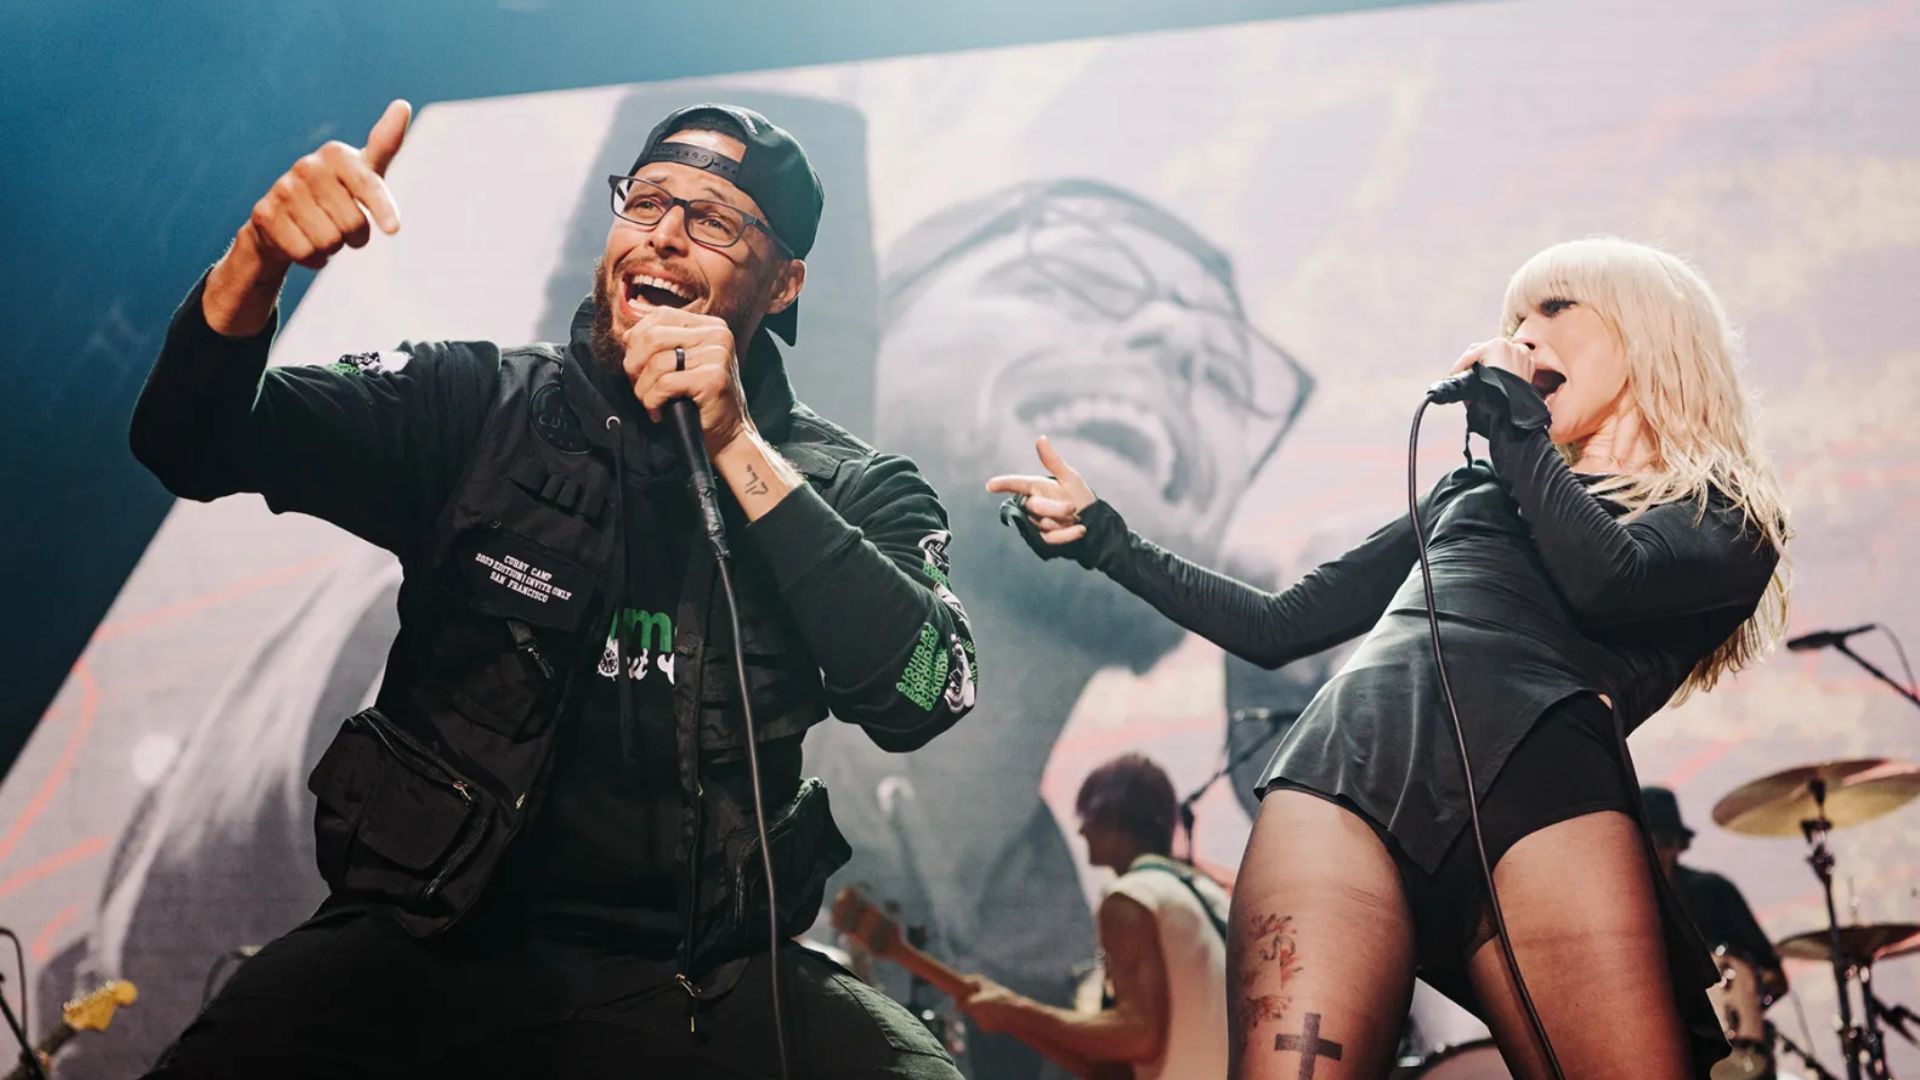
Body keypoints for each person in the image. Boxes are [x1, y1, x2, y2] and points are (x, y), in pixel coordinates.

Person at [128, 98, 975, 1078]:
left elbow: (926, 692)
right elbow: (189, 444)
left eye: (712, 219)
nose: (661, 233)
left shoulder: (850, 487)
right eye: (646, 201)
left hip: (700, 976)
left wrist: (737, 446)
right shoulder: (471, 404)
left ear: (784, 282)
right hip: (429, 944)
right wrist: (256, 262)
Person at [989, 237, 1790, 1079]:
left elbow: (1607, 580)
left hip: (1541, 795)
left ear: (1650, 331)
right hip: (1345, 772)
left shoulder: (1728, 515)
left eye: (1553, 309)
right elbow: (1280, 624)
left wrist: (1515, 421)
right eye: (1514, 317)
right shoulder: (1471, 491)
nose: (1522, 333)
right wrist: (1109, 542)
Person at [808, 178, 1314, 1079]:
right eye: (1078, 277)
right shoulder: (714, 787)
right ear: (863, 342)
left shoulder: (1079, 921)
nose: (1178, 344)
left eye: (1223, 375)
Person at [956, 753, 1231, 1080]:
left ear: (1112, 817)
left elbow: (1139, 1035)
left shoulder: (1130, 898)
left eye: (1088, 814)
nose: (1081, 828)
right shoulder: (1205, 891)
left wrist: (1017, 1013)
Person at [1642, 786, 1788, 1001]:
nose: (1656, 850)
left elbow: (1774, 976)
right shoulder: (1616, 909)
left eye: (1663, 840)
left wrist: (1745, 1006)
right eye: (1648, 841)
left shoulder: (1714, 891)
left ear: (1678, 844)